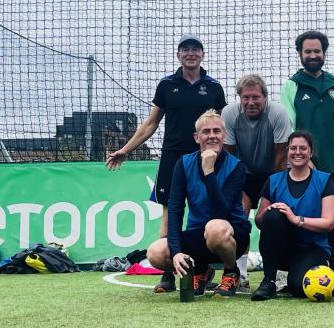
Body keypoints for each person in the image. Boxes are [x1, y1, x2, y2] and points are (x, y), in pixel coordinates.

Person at [105, 35, 226, 293]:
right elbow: (151, 123)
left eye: (195, 49)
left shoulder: (213, 87)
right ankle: (170, 274)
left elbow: (222, 125)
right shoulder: (166, 85)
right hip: (173, 157)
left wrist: (227, 156)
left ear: (202, 55)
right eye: (185, 50)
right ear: (178, 55)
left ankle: (207, 267)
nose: (191, 54)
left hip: (205, 158)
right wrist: (126, 150)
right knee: (169, 212)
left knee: (208, 209)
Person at [146, 110, 251, 298]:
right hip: (197, 235)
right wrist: (177, 251)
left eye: (217, 131)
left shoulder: (237, 167)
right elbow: (176, 210)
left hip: (231, 233)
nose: (212, 136)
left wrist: (209, 171)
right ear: (197, 137)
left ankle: (231, 271)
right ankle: (201, 271)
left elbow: (222, 211)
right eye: (206, 131)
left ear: (224, 135)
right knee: (155, 253)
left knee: (215, 228)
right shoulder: (184, 164)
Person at [280, 30, 334, 285]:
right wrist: (303, 159)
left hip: (333, 166)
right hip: (303, 168)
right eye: (308, 51)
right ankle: (283, 270)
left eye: (317, 51)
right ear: (300, 54)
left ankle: (331, 266)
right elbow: (288, 126)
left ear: (324, 53)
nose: (313, 55)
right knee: (293, 219)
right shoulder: (292, 85)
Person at [222, 74, 292, 288]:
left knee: (270, 220)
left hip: (273, 173)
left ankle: (277, 273)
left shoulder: (278, 113)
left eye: (255, 97)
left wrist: (271, 191)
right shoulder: (229, 113)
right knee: (239, 219)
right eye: (246, 98)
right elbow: (230, 155)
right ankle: (240, 274)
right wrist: (238, 188)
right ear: (239, 98)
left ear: (265, 97)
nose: (250, 102)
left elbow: (281, 156)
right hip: (243, 173)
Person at [250, 131, 334, 301]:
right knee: (274, 215)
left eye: (303, 148)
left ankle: (305, 272)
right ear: (287, 151)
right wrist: (270, 212)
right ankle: (269, 281)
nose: (297, 152)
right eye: (293, 148)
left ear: (310, 153)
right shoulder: (273, 181)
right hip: (283, 249)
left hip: (312, 248)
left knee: (298, 287)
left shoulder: (324, 180)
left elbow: (329, 223)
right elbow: (260, 221)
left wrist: (296, 219)